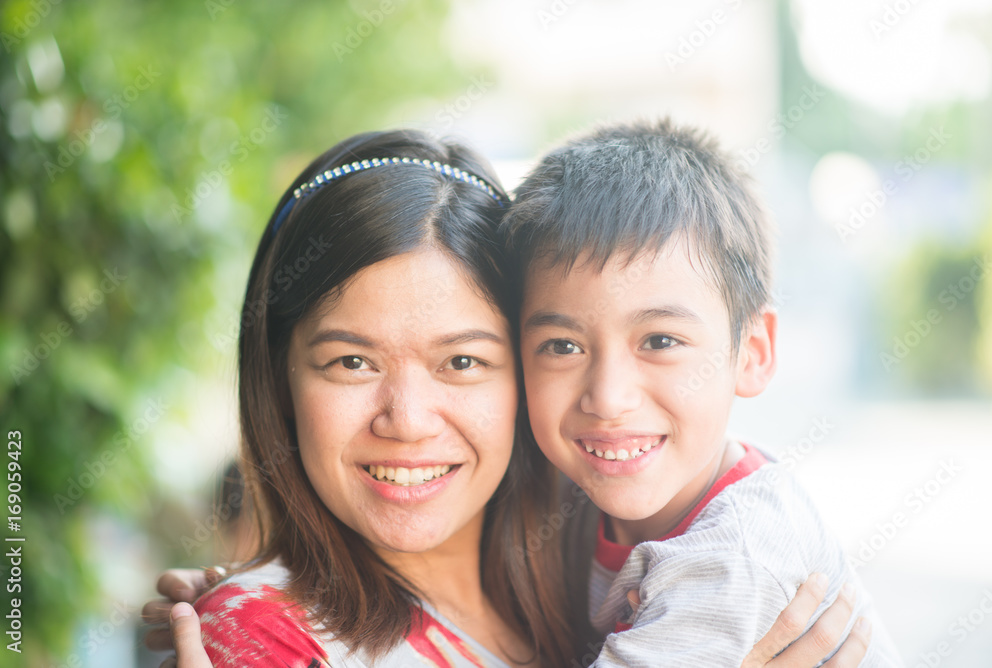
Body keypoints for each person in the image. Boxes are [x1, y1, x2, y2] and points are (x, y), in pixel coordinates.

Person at [142, 127, 874, 668]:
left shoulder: (611, 539)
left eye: (462, 360)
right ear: (278, 378)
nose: (407, 419)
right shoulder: (263, 639)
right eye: (351, 362)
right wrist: (241, 617)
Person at [505, 118, 902, 665]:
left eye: (660, 341)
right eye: (562, 346)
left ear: (753, 352)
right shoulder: (566, 495)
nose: (609, 398)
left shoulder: (735, 555)